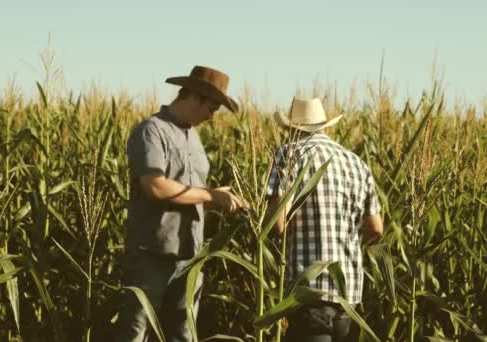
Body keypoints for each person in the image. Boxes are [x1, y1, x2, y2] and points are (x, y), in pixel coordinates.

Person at [115, 66, 245, 341]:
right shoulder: (152, 131)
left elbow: (191, 192)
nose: (213, 116)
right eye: (213, 107)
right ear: (196, 96)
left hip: (189, 256)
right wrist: (209, 195)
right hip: (152, 253)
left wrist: (217, 195)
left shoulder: (194, 139)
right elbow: (156, 186)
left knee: (184, 334)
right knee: (136, 332)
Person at [266, 97, 383, 342]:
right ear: (326, 128)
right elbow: (375, 229)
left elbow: (277, 224)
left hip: (309, 294)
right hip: (347, 298)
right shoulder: (356, 163)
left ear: (290, 129)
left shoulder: (287, 155)